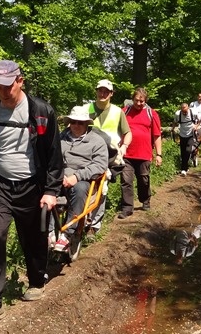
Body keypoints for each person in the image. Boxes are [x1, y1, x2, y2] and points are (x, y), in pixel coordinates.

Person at [0, 59, 63, 330]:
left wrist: (51, 191)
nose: (4, 91)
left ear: (20, 81)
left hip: (32, 184)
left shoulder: (42, 112)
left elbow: (54, 155)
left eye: (8, 85)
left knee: (33, 236)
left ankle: (35, 281)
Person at [51, 106, 109, 251]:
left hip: (84, 179)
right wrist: (59, 174)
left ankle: (68, 234)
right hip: (59, 176)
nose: (76, 125)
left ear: (87, 124)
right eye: (74, 122)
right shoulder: (61, 137)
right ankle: (49, 232)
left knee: (80, 188)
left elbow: (100, 165)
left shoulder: (97, 141)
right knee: (44, 190)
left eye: (80, 123)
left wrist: (77, 176)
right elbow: (51, 157)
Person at [87, 79, 132, 232]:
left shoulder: (117, 112)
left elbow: (127, 133)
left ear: (111, 94)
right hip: (86, 153)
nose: (102, 93)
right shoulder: (86, 109)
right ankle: (81, 218)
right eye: (100, 90)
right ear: (96, 91)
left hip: (108, 154)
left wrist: (124, 146)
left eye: (106, 91)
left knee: (101, 186)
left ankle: (94, 224)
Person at [119, 88, 163, 219]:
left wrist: (159, 154)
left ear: (145, 101)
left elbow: (157, 135)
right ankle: (127, 207)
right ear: (132, 99)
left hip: (144, 154)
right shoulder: (124, 112)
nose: (139, 103)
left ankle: (145, 199)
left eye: (142, 101)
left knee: (143, 179)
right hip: (126, 154)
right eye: (137, 100)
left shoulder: (152, 114)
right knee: (126, 181)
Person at [173, 103, 201, 176]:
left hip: (191, 134)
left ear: (188, 108)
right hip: (182, 135)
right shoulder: (177, 114)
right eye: (183, 112)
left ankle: (183, 169)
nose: (184, 113)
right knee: (183, 152)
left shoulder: (193, 112)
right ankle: (186, 166)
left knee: (188, 150)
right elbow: (175, 122)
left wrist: (196, 126)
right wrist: (172, 129)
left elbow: (200, 119)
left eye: (186, 111)